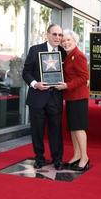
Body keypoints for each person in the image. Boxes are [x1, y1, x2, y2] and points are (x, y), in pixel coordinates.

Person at [22, 24, 66, 170]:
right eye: (55, 34)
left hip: (55, 97)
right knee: (37, 131)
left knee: (56, 131)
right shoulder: (35, 49)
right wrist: (35, 84)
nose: (58, 38)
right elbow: (26, 72)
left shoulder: (63, 52)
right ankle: (39, 158)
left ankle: (57, 159)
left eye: (60, 35)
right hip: (37, 97)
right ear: (47, 34)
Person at [55, 29, 90, 171]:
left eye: (68, 40)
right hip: (71, 97)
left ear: (75, 41)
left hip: (79, 97)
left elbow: (83, 78)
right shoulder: (69, 55)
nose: (65, 43)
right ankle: (77, 155)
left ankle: (85, 158)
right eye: (63, 41)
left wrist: (67, 85)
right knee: (73, 128)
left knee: (79, 128)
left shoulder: (79, 56)